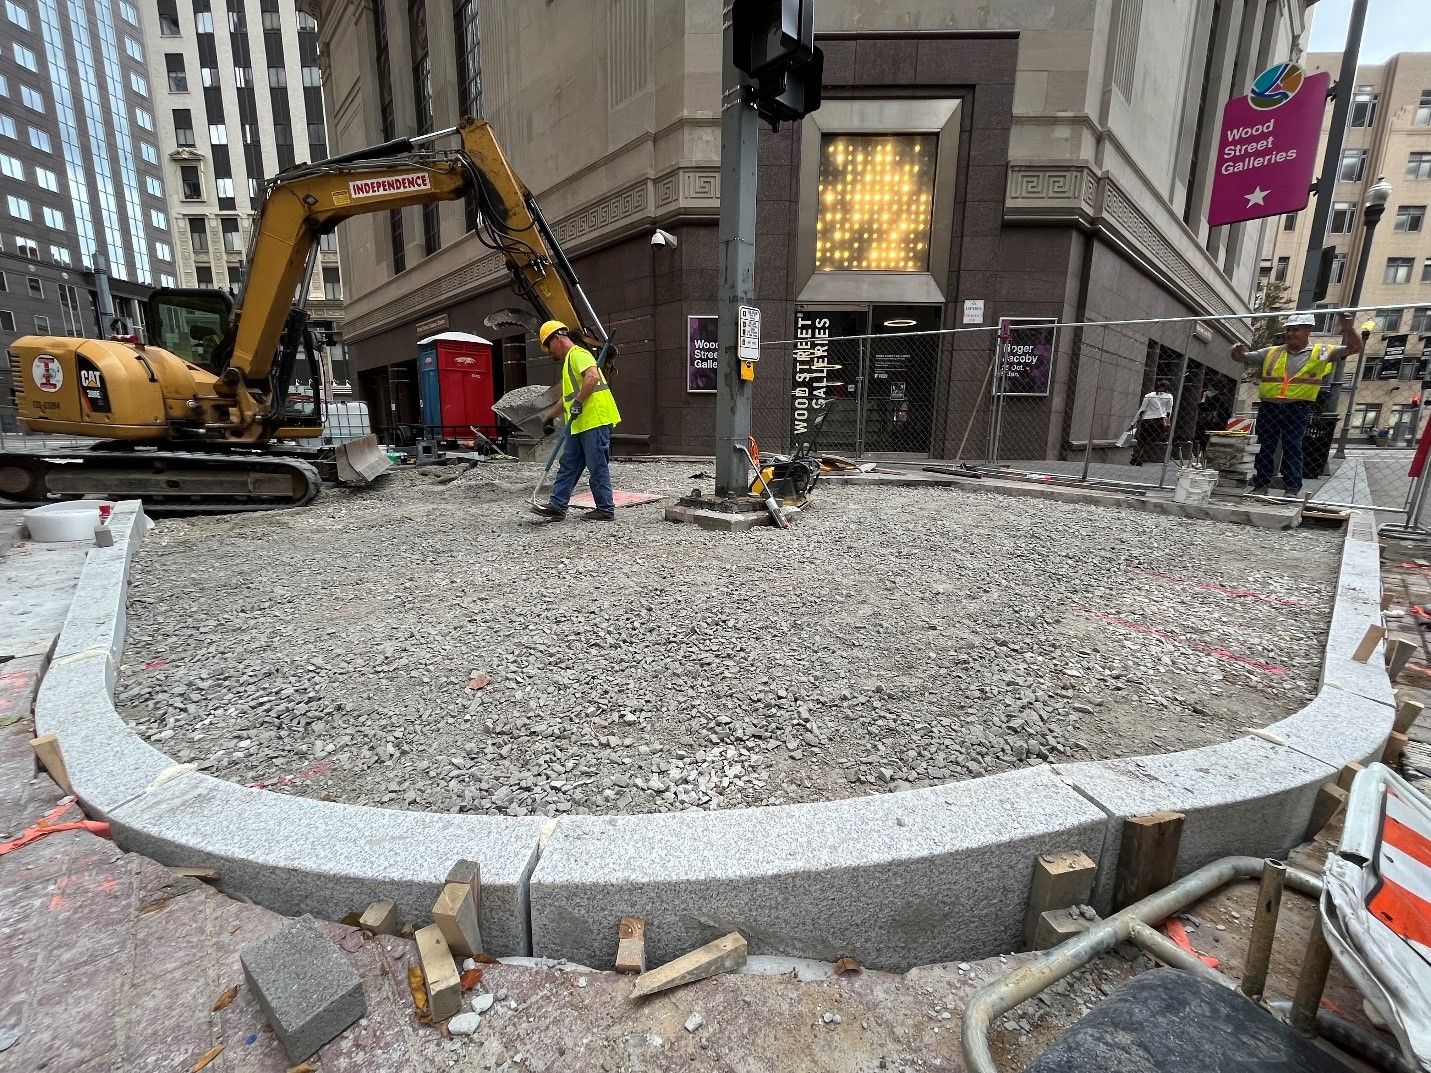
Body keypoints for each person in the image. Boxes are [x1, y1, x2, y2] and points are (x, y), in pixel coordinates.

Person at [1231, 312, 1361, 497]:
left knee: (1292, 446)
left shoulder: (1321, 352)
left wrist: (1348, 328)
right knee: (1264, 446)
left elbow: (1354, 348)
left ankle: (1291, 488)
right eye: (1289, 330)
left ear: (1308, 331)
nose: (1291, 334)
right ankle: (1261, 485)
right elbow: (1243, 357)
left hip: (1297, 407)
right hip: (1269, 406)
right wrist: (1236, 353)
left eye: (1296, 330)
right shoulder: (1272, 352)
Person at [529, 320, 622, 522]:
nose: (548, 352)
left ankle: (605, 509)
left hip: (595, 419)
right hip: (580, 423)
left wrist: (579, 402)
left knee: (597, 465)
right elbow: (567, 397)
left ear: (557, 339)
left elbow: (592, 378)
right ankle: (557, 506)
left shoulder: (579, 354)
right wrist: (549, 417)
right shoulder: (569, 362)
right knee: (568, 464)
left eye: (548, 346)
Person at [1127, 380, 1175, 465]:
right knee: (1149, 441)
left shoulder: (1149, 396)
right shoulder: (1169, 397)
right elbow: (1169, 411)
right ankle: (1141, 458)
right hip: (1159, 421)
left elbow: (1141, 410)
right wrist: (1167, 423)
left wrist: (1133, 422)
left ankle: (1136, 456)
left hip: (1147, 420)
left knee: (1141, 440)